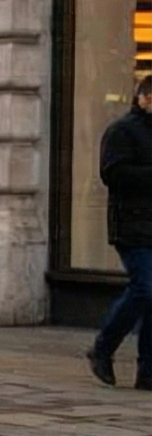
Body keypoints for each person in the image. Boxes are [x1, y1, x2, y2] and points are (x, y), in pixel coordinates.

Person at [92, 75, 152, 386]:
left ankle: (148, 370)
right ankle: (103, 347)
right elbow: (113, 173)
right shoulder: (122, 130)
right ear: (143, 98)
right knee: (145, 288)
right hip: (131, 223)